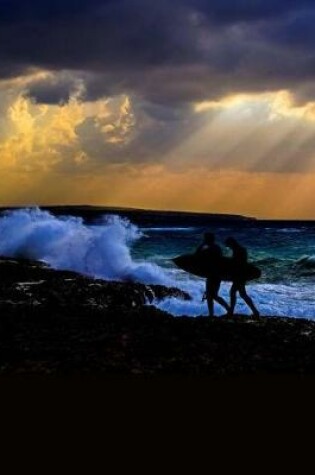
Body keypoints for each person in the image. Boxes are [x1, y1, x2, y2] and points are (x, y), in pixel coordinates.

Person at [196, 232, 230, 317]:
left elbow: (196, 255)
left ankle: (228, 309)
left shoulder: (209, 248)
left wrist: (202, 245)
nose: (204, 240)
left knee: (212, 295)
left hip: (213, 275)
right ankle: (213, 314)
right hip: (216, 274)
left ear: (208, 239)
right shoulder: (216, 248)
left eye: (205, 238)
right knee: (211, 295)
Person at [225, 237, 259, 318]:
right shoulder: (240, 249)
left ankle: (231, 312)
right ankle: (255, 312)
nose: (229, 247)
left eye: (229, 245)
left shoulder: (238, 250)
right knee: (242, 294)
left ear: (231, 243)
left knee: (234, 293)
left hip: (239, 275)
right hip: (241, 275)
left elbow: (238, 263)